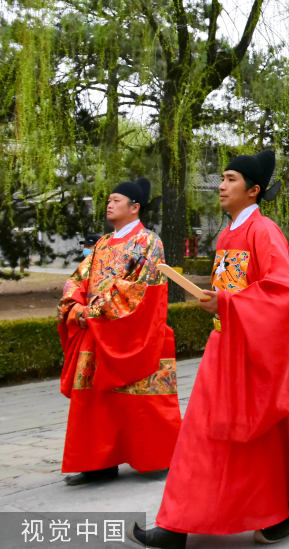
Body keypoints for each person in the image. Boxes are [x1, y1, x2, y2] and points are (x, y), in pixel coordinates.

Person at [136, 150, 289, 549]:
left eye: (231, 179)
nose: (221, 186)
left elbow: (283, 294)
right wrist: (220, 302)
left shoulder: (265, 232)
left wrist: (225, 303)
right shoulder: (227, 235)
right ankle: (176, 523)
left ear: (253, 190)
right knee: (201, 435)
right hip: (226, 346)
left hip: (265, 353)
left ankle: (284, 511)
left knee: (264, 441)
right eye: (222, 178)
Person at [58, 177, 180, 486]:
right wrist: (74, 306)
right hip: (97, 331)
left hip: (136, 331)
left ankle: (154, 457)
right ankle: (98, 462)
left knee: (141, 399)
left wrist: (92, 312)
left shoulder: (148, 241)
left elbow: (136, 288)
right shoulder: (101, 243)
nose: (109, 204)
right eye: (109, 199)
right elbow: (78, 279)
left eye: (116, 199)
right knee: (95, 398)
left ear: (134, 207)